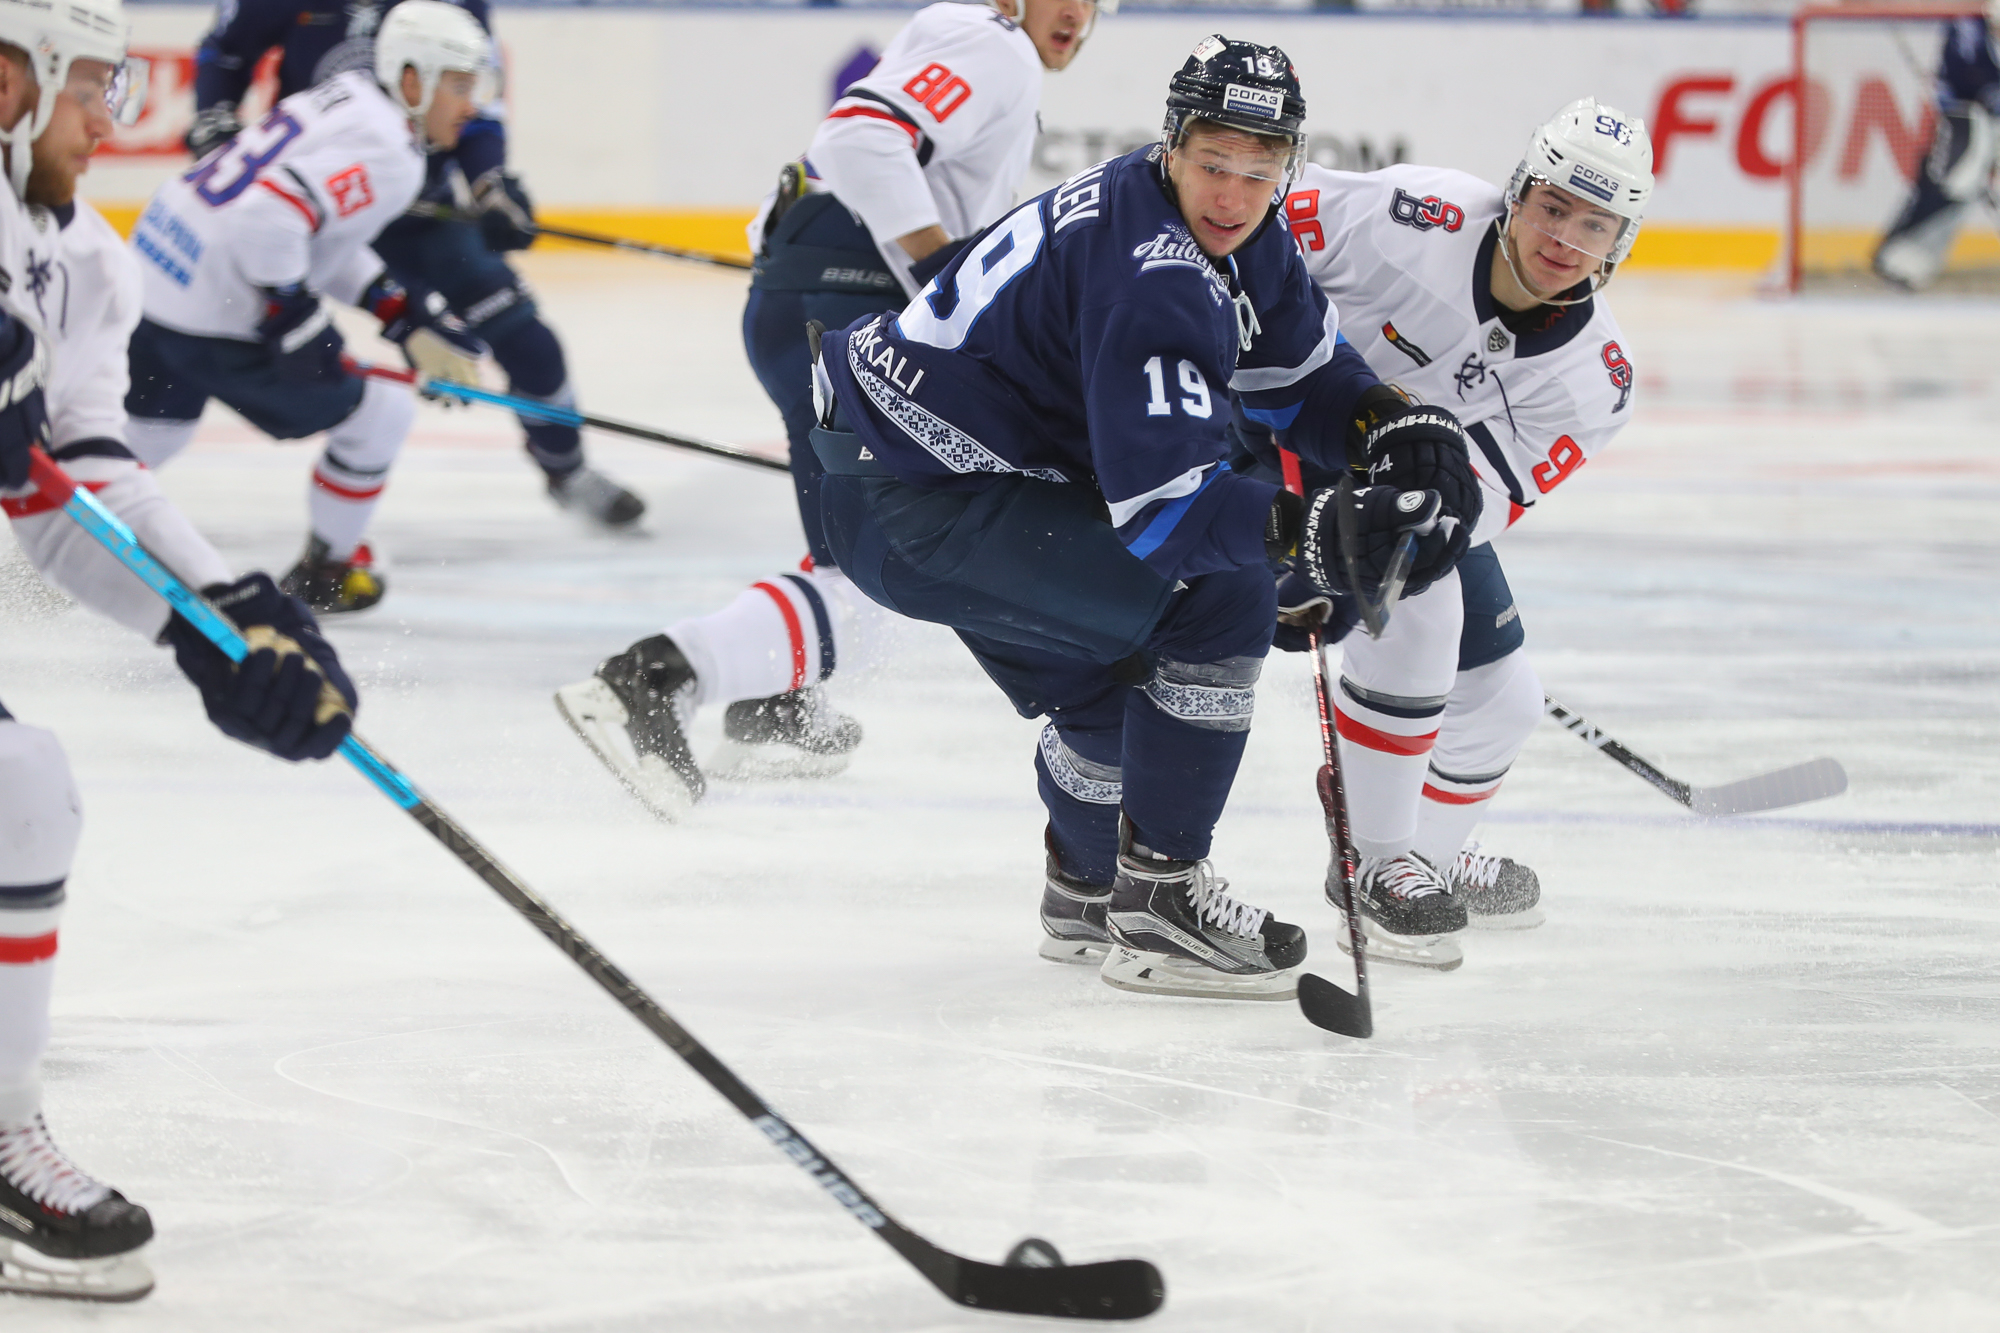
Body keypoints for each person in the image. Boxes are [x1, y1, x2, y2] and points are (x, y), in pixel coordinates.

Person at [804, 37, 1481, 1000]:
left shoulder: (1220, 225)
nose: (1235, 193)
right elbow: (1169, 516)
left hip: (912, 480)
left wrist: (1393, 421)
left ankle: (1086, 890)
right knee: (1227, 591)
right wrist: (1311, 535)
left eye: (1262, 169)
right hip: (929, 503)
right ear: (1171, 145)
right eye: (1214, 163)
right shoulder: (1154, 272)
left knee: (1110, 688)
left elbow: (1307, 374)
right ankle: (1162, 897)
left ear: (1288, 163)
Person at [0, 0, 359, 1298]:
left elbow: (76, 481)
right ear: (10, 84)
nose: (111, 119)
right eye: (88, 87)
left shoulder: (86, 264)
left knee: (20, 791)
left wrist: (225, 620)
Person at [554, 0, 1101, 819]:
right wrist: (942, 275)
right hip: (843, 310)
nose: (1079, 11)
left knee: (850, 553)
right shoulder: (998, 47)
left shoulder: (970, 37)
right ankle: (662, 674)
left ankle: (774, 697)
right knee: (891, 570)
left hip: (813, 300)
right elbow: (860, 138)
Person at [1235, 98, 1651, 968]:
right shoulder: (1410, 215)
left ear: (1621, 240)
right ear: (1517, 193)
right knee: (1416, 614)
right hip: (1278, 424)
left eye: (1594, 223)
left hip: (1402, 487)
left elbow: (1475, 508)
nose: (1565, 238)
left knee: (1504, 698)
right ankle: (1373, 859)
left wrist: (1394, 533)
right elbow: (1258, 239)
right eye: (1552, 206)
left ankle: (1424, 852)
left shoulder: (1596, 381)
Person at [185, 0, 645, 527]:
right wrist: (214, 121)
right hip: (319, 210)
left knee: (530, 343)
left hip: (415, 207)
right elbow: (225, 52)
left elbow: (473, 101)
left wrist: (489, 185)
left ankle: (568, 469)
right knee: (217, 331)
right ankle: (140, 446)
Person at [123, 0, 493, 614]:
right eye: (457, 85)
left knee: (154, 433)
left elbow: (313, 230)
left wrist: (398, 311)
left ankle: (56, 532)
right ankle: (329, 568)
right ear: (412, 78)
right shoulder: (392, 153)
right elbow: (269, 219)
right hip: (209, 310)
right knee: (382, 416)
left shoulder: (346, 93)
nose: (470, 104)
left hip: (158, 275)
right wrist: (294, 316)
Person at [1874, 2, 2000, 289]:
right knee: (1955, 180)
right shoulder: (1968, 30)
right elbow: (1953, 84)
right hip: (1973, 119)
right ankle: (1904, 259)